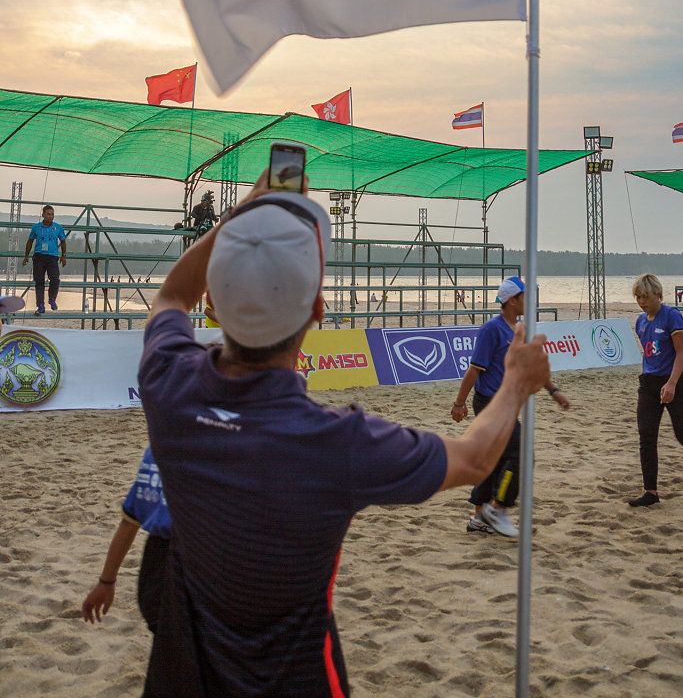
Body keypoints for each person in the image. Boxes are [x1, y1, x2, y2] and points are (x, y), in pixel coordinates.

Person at [138, 172, 551, 698]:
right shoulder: (335, 441)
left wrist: (241, 218)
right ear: (316, 310)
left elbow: (171, 295)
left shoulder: (171, 387)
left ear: (215, 299)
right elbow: (474, 459)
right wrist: (516, 384)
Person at [450, 276, 570, 538]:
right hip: (490, 404)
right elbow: (473, 370)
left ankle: (479, 517)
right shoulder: (492, 329)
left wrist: (554, 392)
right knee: (522, 453)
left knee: (497, 458)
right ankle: (498, 508)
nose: (531, 301)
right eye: (527, 296)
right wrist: (459, 403)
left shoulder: (520, 330)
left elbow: (533, 365)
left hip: (507, 403)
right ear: (512, 300)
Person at [82, 447, 171, 633]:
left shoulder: (157, 450)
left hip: (158, 565)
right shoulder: (225, 446)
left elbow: (129, 522)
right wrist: (106, 582)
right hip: (194, 558)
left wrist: (106, 581)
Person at [629, 273, 683, 507]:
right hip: (648, 384)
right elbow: (650, 354)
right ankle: (651, 492)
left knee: (681, 435)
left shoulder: (671, 316)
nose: (642, 301)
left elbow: (681, 353)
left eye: (646, 297)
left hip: (674, 382)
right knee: (646, 436)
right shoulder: (641, 321)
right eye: (638, 297)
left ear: (659, 295)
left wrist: (671, 384)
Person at [22, 204, 67, 315]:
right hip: (39, 257)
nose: (50, 216)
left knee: (55, 279)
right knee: (39, 281)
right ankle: (40, 305)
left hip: (52, 257)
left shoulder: (58, 227)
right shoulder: (36, 227)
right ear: (43, 215)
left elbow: (63, 241)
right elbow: (30, 241)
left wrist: (63, 256)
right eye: (48, 214)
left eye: (52, 214)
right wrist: (26, 256)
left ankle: (52, 299)